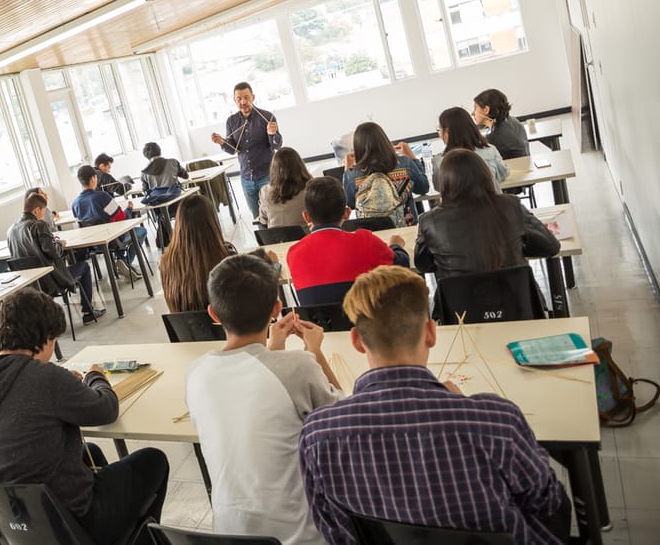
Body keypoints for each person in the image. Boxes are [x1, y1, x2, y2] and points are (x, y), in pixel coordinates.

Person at [300, 265, 571, 544]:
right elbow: (548, 505)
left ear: (356, 341)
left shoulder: (318, 434)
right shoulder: (497, 421)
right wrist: (464, 411)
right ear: (431, 333)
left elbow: (332, 528)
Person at [0, 288, 169, 544]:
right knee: (153, 460)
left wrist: (64, 386)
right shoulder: (45, 377)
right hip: (70, 523)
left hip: (13, 526)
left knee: (88, 451)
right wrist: (95, 377)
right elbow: (106, 409)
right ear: (45, 338)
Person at [186, 254, 342, 544]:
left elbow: (254, 398)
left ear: (213, 314)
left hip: (229, 534)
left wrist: (274, 349)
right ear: (277, 308)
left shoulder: (195, 373)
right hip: (300, 537)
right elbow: (343, 416)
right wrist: (315, 352)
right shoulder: (299, 366)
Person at [414, 149, 560, 280]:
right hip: (517, 303)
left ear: (444, 182)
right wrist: (516, 249)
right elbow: (550, 246)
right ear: (485, 175)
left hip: (461, 307)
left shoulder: (429, 221)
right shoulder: (510, 205)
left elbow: (423, 265)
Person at [287, 176, 408, 305]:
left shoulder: (293, 253)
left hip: (319, 324)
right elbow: (401, 266)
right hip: (366, 322)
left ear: (306, 217)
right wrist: (396, 246)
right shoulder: (364, 241)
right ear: (347, 212)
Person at [7, 192, 105, 324]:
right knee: (84, 267)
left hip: (29, 284)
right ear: (36, 210)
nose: (44, 215)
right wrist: (59, 244)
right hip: (50, 281)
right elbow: (52, 253)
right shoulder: (39, 225)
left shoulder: (11, 230)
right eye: (43, 211)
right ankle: (88, 312)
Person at [210, 82, 283, 219]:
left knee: (274, 215)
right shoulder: (231, 121)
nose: (243, 102)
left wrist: (273, 134)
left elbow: (276, 146)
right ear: (234, 100)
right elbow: (233, 150)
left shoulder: (267, 116)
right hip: (246, 179)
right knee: (257, 218)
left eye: (246, 97)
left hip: (267, 176)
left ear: (253, 97)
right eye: (239, 98)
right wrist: (222, 142)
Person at [341, 122, 429, 226]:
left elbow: (351, 203)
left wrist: (347, 171)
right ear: (384, 141)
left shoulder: (352, 175)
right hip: (406, 228)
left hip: (373, 234)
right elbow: (423, 187)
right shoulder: (405, 163)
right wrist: (412, 158)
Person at [71, 164, 147, 280]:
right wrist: (129, 209)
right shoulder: (102, 197)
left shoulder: (75, 204)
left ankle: (121, 262)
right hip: (113, 240)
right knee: (141, 231)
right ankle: (123, 262)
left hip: (93, 245)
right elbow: (121, 217)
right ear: (93, 179)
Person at [432, 106, 509, 191]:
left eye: (439, 129)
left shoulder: (439, 161)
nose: (440, 134)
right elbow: (503, 174)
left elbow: (438, 188)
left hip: (460, 204)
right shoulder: (490, 150)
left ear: (447, 132)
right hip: (492, 203)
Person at [257, 146, 312, 229]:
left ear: (274, 168)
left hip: (276, 240)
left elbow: (263, 220)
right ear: (300, 165)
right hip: (305, 239)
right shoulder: (310, 189)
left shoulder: (265, 191)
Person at [472, 88, 530, 159]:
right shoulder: (508, 123)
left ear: (486, 110)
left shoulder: (494, 137)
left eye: (475, 108)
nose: (472, 113)